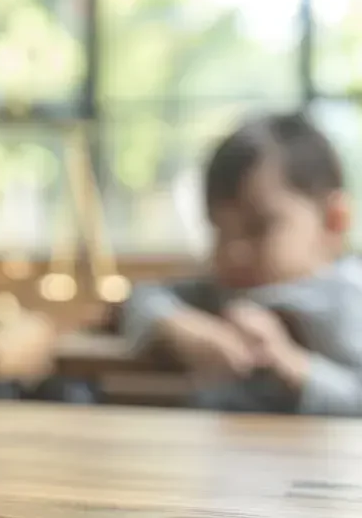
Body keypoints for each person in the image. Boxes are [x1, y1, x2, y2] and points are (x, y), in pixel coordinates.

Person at [119, 112, 362, 416]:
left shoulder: (348, 299)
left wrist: (292, 364)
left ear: (334, 220)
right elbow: (142, 297)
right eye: (220, 231)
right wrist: (182, 328)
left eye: (258, 227)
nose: (234, 251)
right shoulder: (219, 290)